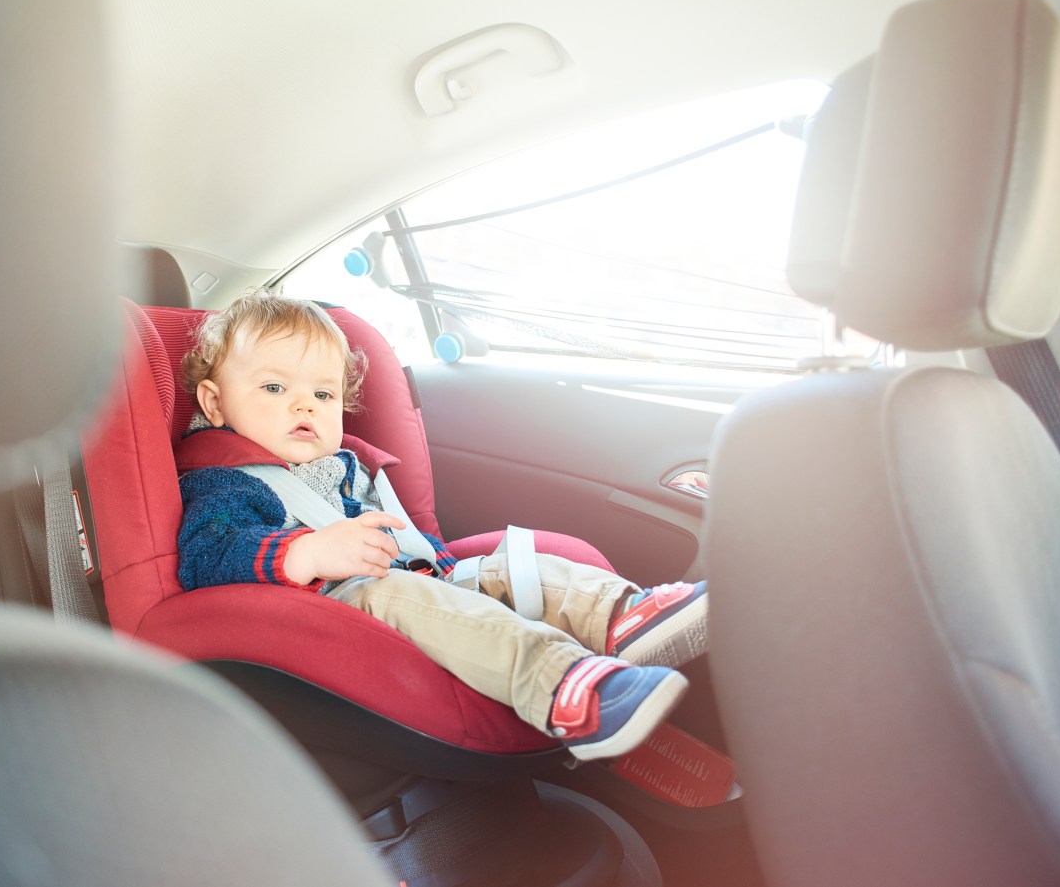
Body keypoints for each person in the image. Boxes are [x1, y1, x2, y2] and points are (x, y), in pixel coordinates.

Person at [175, 289, 708, 760]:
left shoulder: (345, 466)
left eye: (323, 394)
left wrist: (447, 565)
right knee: (402, 593)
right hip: (335, 608)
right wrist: (307, 553)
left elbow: (400, 535)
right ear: (215, 403)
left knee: (506, 568)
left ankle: (622, 615)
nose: (304, 406)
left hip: (408, 580)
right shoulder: (228, 480)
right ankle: (561, 686)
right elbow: (208, 554)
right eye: (274, 388)